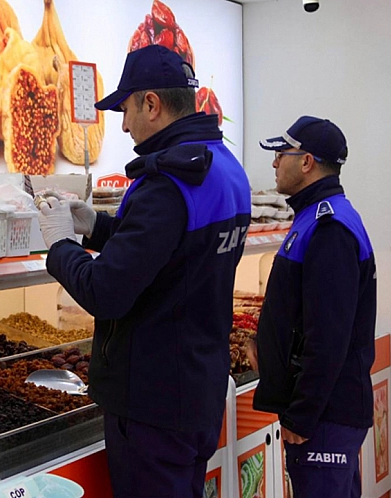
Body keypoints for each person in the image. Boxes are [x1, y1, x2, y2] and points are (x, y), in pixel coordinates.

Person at [37, 44, 251, 497]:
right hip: (197, 388)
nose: (124, 125)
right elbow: (173, 253)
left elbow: (105, 292)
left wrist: (60, 245)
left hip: (154, 404)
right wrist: (97, 226)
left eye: (127, 110)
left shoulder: (168, 182)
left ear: (151, 104)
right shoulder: (224, 167)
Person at [248, 116, 377, 497]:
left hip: (325, 416)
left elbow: (329, 337)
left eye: (281, 153)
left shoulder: (329, 228)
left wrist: (303, 414)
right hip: (323, 412)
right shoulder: (315, 216)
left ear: (306, 162)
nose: (274, 162)